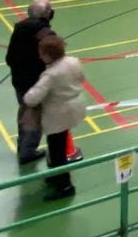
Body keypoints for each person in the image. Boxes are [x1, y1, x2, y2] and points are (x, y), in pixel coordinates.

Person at [23, 35, 85, 200]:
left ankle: (65, 186)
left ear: (48, 55)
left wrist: (26, 97)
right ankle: (57, 176)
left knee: (57, 152)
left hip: (58, 115)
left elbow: (32, 98)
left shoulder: (50, 75)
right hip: (74, 108)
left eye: (41, 53)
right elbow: (81, 78)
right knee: (60, 145)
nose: (39, 56)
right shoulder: (73, 61)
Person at [5, 0, 56, 165]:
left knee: (24, 112)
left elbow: (9, 57)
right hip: (33, 83)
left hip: (18, 80)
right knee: (34, 117)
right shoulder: (44, 33)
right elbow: (53, 59)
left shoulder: (20, 27)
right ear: (46, 13)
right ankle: (27, 152)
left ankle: (23, 146)